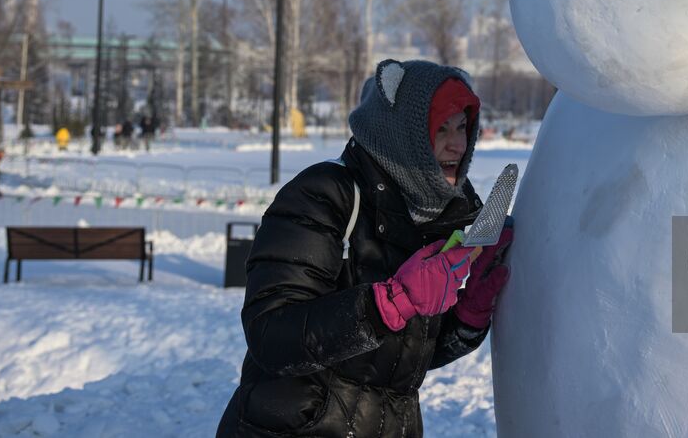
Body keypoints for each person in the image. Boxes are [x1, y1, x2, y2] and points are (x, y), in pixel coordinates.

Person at [216, 61, 514, 437]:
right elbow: (271, 335)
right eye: (441, 128)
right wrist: (390, 302)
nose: (458, 144)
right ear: (403, 134)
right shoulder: (324, 195)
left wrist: (467, 316)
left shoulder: (437, 216)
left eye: (462, 127)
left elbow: (395, 360)